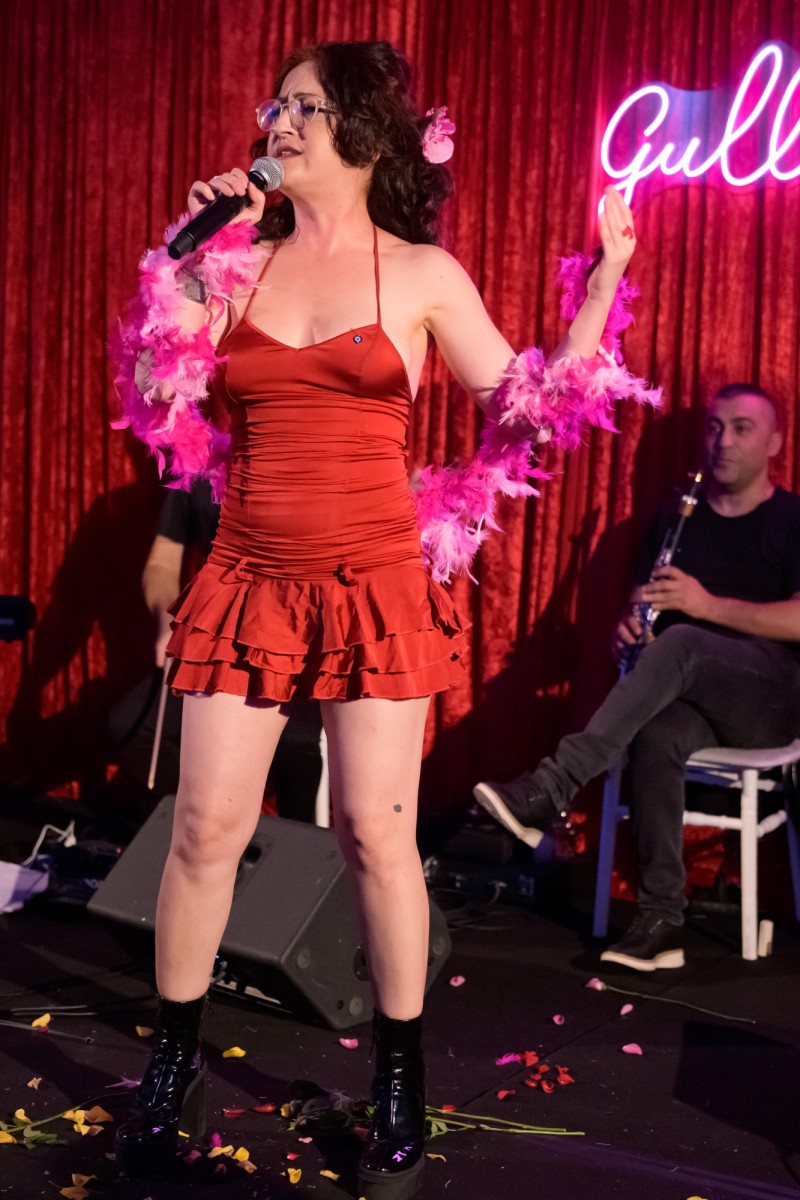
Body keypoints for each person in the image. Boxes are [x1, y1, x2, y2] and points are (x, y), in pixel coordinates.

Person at [112, 40, 638, 1195]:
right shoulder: (237, 265)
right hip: (247, 574)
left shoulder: (422, 273)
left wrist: (601, 282)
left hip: (372, 583)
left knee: (372, 833)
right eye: (275, 105)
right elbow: (160, 398)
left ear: (361, 130)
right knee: (202, 829)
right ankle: (171, 1064)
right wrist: (183, 267)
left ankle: (398, 1079)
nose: (278, 121)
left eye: (302, 105)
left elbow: (529, 409)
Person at [474, 384, 800, 972]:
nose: (723, 441)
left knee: (683, 641)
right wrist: (631, 631)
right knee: (656, 731)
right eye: (715, 427)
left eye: (742, 428)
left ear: (775, 443)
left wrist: (705, 608)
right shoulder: (677, 518)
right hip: (690, 691)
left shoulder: (793, 518)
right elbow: (644, 604)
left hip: (771, 701)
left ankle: (553, 786)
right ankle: (662, 920)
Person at [108, 482, 324, 821]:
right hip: (220, 638)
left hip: (298, 640)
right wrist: (168, 620)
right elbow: (162, 563)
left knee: (293, 745)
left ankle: (295, 848)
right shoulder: (198, 471)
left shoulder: (312, 467)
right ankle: (208, 820)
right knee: (132, 728)